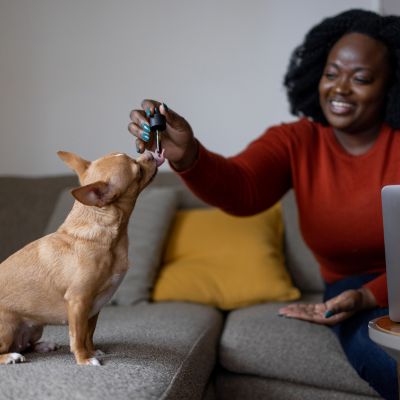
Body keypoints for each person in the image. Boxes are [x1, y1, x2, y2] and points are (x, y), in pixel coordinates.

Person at [128, 9, 400, 399]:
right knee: (387, 359)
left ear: (391, 85)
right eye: (331, 73)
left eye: (360, 78)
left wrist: (373, 293)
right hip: (352, 290)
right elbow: (242, 189)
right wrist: (188, 156)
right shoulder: (297, 141)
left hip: (373, 292)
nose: (340, 88)